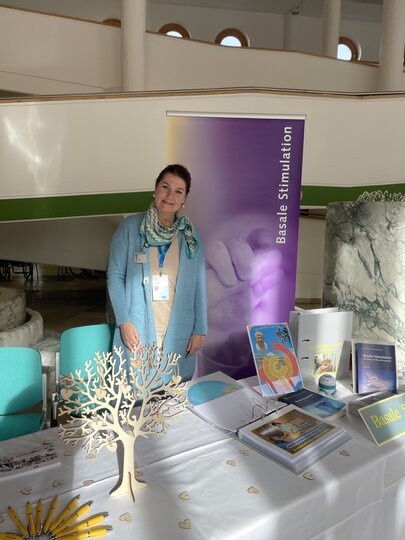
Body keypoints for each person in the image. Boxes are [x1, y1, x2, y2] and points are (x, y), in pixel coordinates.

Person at [107, 164, 207, 382]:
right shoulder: (130, 228)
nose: (170, 196)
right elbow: (115, 276)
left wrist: (200, 329)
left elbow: (199, 284)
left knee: (173, 392)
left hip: (179, 331)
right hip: (138, 328)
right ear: (155, 188)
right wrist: (124, 321)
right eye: (165, 187)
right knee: (137, 391)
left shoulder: (189, 236)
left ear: (184, 199)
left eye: (178, 191)